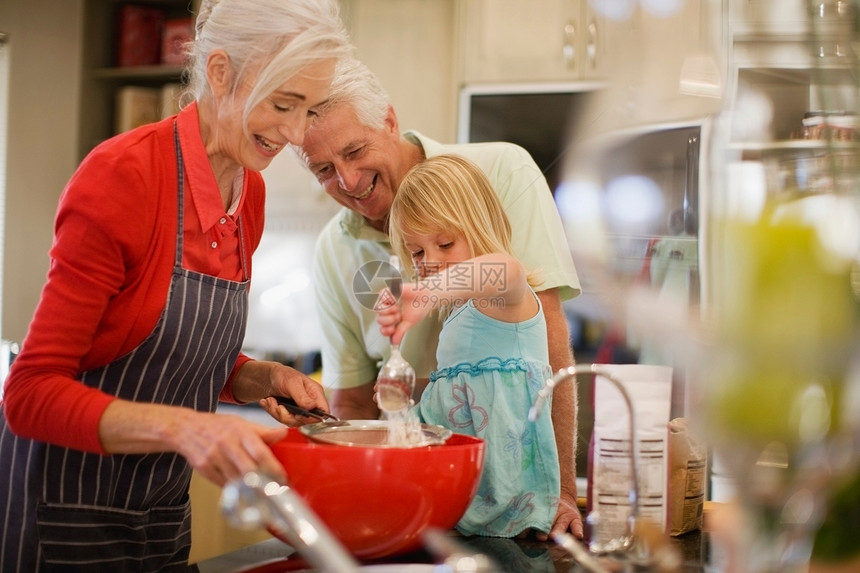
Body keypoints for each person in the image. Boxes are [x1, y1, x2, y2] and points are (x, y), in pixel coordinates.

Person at [0, 1, 352, 571]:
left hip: (160, 513)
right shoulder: (125, 177)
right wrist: (187, 429)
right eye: (282, 104)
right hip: (64, 510)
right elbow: (30, 393)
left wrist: (258, 376)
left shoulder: (247, 192)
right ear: (218, 73)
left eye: (307, 110)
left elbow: (170, 350)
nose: (293, 133)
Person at [297, 58, 585, 539]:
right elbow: (386, 404)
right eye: (325, 168)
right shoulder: (452, 316)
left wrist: (565, 494)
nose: (346, 180)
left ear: (389, 120)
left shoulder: (500, 285)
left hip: (519, 504)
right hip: (457, 503)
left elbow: (507, 274)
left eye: (354, 150)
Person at [375, 154, 562, 537]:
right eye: (418, 252)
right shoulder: (458, 317)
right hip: (463, 508)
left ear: (482, 228)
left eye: (445, 242)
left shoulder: (507, 299)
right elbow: (448, 409)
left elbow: (504, 270)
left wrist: (427, 293)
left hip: (511, 515)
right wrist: (399, 414)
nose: (431, 262)